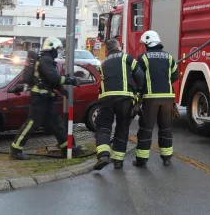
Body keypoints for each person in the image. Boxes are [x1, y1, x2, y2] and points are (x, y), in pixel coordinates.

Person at [10, 37, 81, 160]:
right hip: (39, 99)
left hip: (46, 98)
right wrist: (71, 80)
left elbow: (49, 80)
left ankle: (67, 148)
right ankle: (16, 149)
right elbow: (54, 77)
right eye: (57, 49)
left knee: (57, 124)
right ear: (51, 48)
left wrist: (61, 89)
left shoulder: (46, 60)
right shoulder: (45, 60)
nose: (58, 52)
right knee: (32, 124)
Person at [93, 39, 144, 170]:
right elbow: (139, 75)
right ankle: (118, 161)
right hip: (125, 99)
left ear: (107, 50)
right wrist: (139, 91)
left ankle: (103, 155)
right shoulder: (127, 58)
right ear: (119, 47)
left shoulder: (102, 63)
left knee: (103, 126)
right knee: (122, 127)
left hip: (106, 99)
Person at [133, 30, 179, 167]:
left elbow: (138, 77)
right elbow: (175, 76)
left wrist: (140, 91)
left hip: (151, 98)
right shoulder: (169, 57)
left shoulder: (143, 58)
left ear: (147, 43)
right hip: (167, 99)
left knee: (146, 129)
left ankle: (142, 159)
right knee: (166, 128)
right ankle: (166, 158)